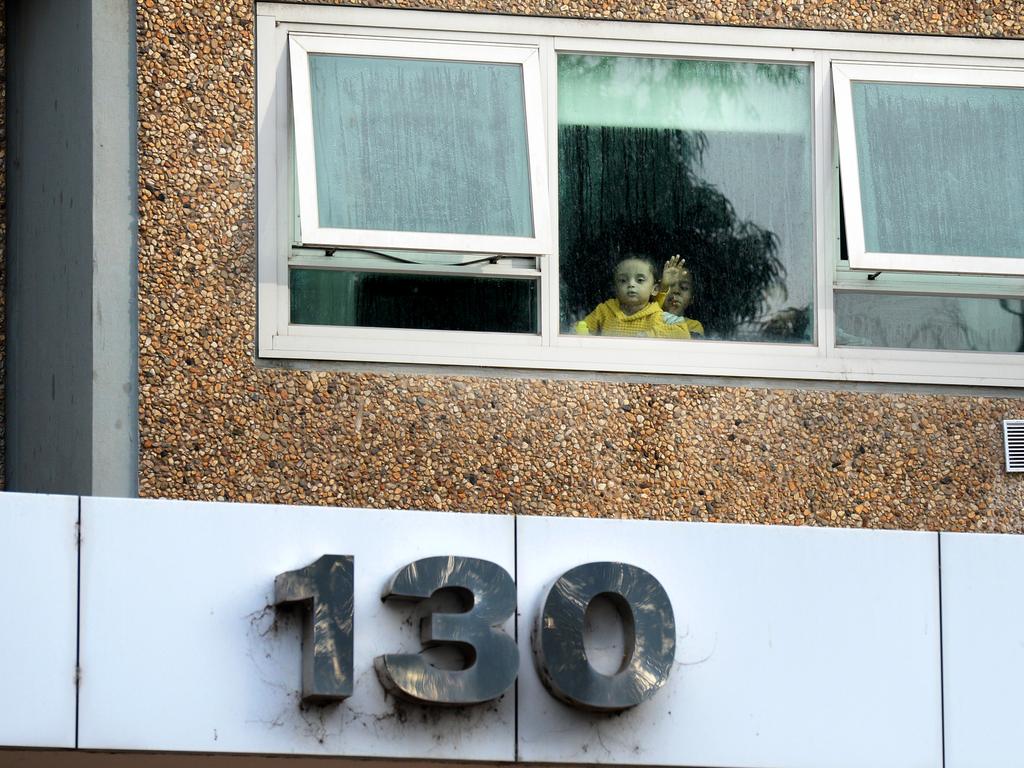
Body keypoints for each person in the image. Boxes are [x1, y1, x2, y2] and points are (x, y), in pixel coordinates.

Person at [575, 255, 692, 339]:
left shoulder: (657, 315)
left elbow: (682, 332)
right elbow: (579, 329)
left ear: (655, 289)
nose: (631, 284)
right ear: (615, 288)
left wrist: (648, 336)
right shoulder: (605, 310)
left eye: (640, 280)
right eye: (623, 280)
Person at [658, 255, 704, 337]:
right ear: (656, 289)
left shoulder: (693, 326)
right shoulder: (647, 318)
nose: (676, 291)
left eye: (684, 287)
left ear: (692, 299)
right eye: (669, 285)